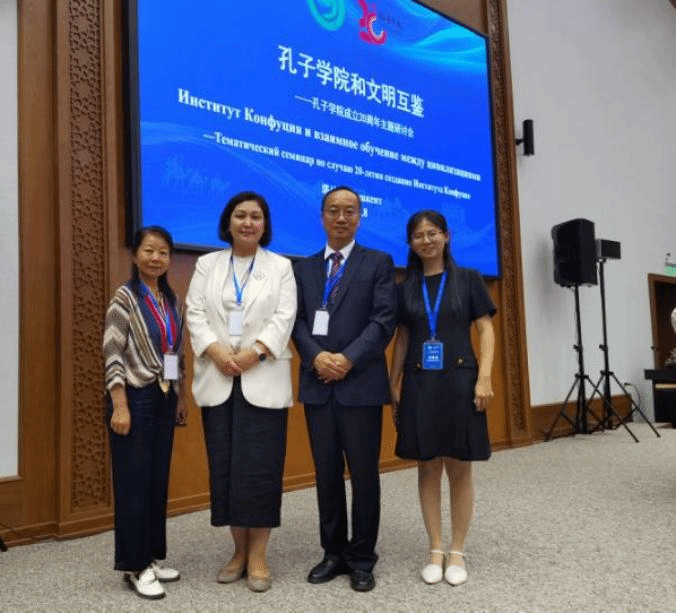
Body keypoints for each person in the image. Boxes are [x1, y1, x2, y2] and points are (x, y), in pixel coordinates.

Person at [185, 191, 296, 593]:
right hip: (218, 378)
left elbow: (284, 316)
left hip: (262, 377)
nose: (248, 222)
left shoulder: (281, 266)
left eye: (255, 216)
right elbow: (195, 312)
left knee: (261, 471)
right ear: (228, 222)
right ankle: (238, 551)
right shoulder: (208, 264)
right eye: (240, 215)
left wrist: (254, 352)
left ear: (265, 225)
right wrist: (216, 351)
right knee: (227, 470)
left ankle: (259, 555)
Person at [292, 186, 396, 592]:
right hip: (317, 384)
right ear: (322, 216)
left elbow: (382, 321)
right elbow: (297, 322)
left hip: (361, 384)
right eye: (334, 210)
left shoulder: (378, 262)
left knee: (365, 474)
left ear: (360, 217)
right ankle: (333, 551)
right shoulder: (303, 267)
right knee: (327, 473)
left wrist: (347, 359)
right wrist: (317, 357)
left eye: (349, 211)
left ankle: (362, 557)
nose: (341, 217)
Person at [389, 209, 496, 586]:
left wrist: (484, 377)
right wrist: (394, 383)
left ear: (447, 236)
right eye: (418, 235)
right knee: (427, 466)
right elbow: (403, 338)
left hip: (461, 380)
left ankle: (458, 550)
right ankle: (435, 548)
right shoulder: (405, 287)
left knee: (460, 466)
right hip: (420, 382)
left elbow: (485, 330)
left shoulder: (468, 279)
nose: (426, 240)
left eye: (432, 233)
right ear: (410, 243)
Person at [103, 225, 187, 600]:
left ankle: (150, 558)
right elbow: (112, 352)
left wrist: (180, 397)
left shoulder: (170, 300)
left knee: (155, 482)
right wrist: (119, 404)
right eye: (149, 250)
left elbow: (176, 354)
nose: (156, 258)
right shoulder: (125, 298)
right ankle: (134, 567)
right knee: (133, 485)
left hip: (164, 397)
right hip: (133, 398)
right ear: (135, 255)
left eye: (163, 252)